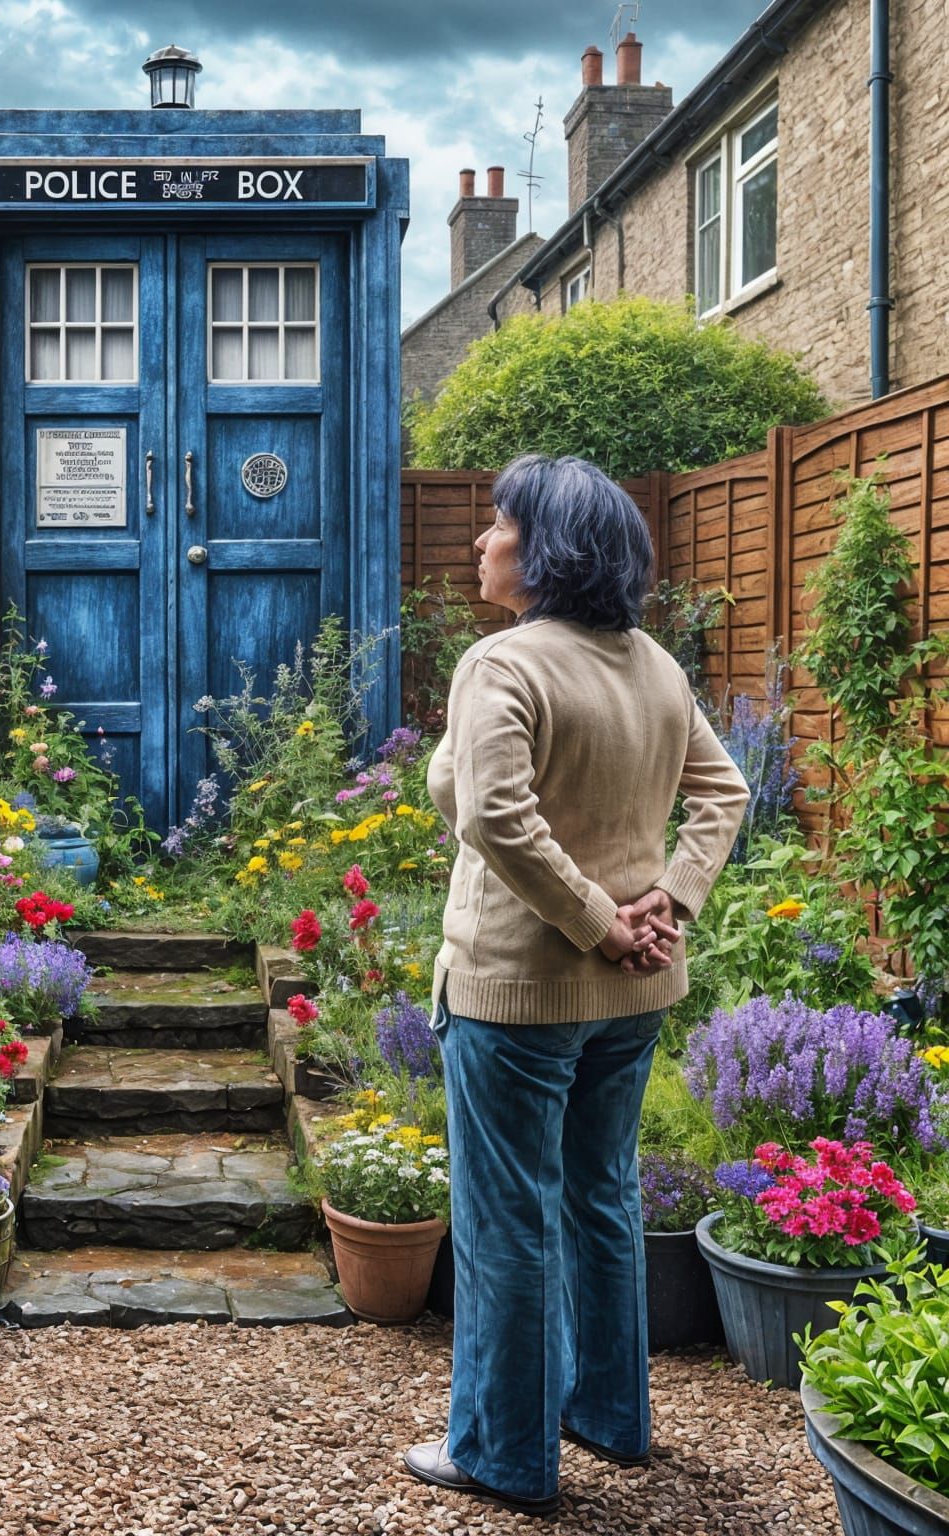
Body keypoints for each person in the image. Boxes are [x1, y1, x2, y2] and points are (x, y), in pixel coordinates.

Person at [403, 453, 749, 1517]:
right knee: (600, 1199)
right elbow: (723, 792)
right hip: (632, 1000)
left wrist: (600, 922)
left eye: (497, 525)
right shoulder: (653, 664)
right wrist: (666, 909)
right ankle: (609, 1416)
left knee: (506, 1219)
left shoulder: (504, 664)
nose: (478, 541)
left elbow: (497, 820)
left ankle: (503, 1455)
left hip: (517, 992)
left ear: (543, 551)